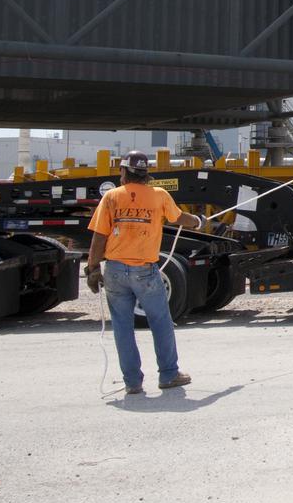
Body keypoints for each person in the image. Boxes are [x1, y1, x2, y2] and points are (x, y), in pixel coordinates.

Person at [86, 150, 205, 394]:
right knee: (160, 321)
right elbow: (179, 218)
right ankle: (169, 374)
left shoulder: (111, 197)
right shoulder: (158, 196)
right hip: (145, 271)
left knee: (122, 326)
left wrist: (93, 268)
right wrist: (198, 221)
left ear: (123, 172)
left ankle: (132, 382)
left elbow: (99, 237)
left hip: (115, 270)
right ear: (144, 173)